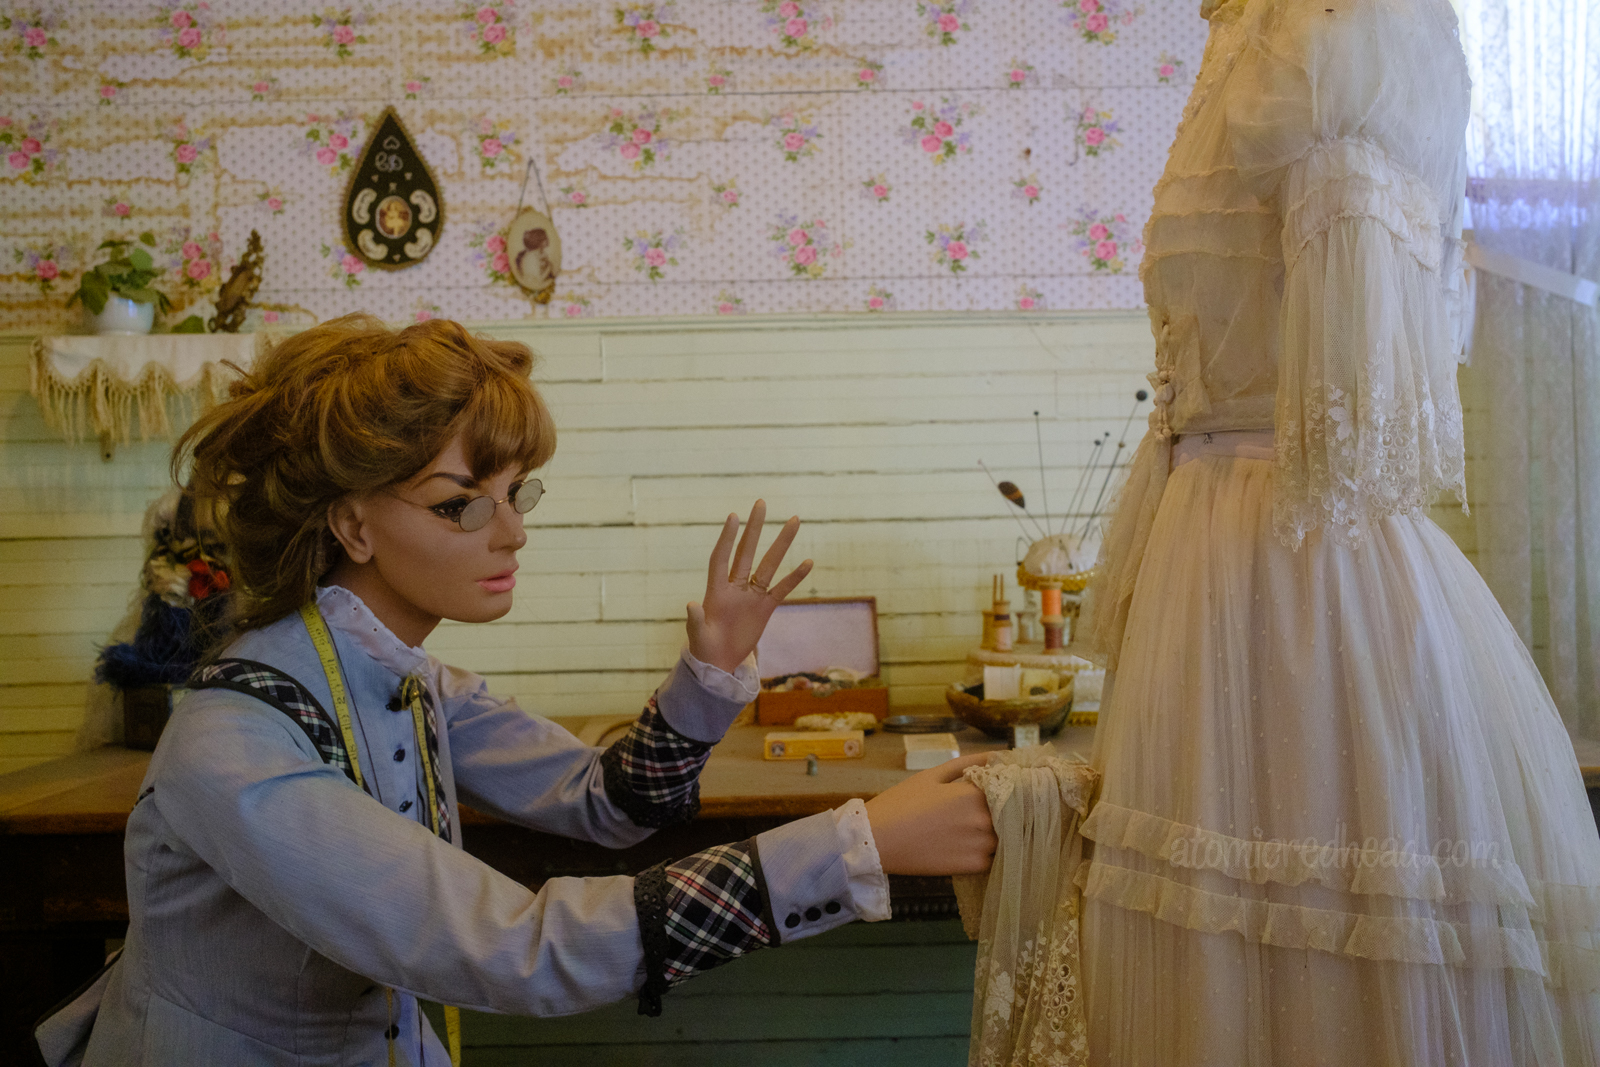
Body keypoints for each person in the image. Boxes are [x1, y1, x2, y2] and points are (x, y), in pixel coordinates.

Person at [37, 315, 996, 1066]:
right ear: (354, 526)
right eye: (463, 503)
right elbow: (509, 949)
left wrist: (709, 675)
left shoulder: (411, 681)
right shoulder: (233, 742)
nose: (512, 534)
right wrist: (855, 842)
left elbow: (604, 802)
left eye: (517, 492)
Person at [1078, 0, 1600, 1062]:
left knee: (1330, 934)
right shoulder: (1243, 40)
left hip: (1300, 572)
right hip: (1212, 553)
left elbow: (1358, 401)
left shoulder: (1336, 43)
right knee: (1211, 949)